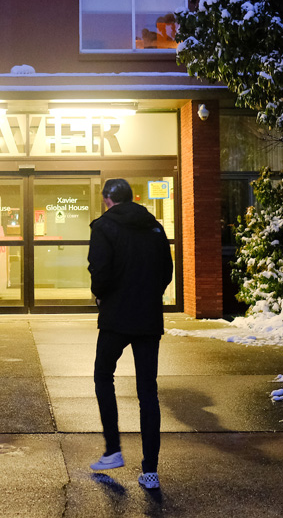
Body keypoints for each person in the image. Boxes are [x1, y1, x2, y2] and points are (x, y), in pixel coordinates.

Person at [87, 178, 174, 490]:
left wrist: (100, 294)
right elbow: (167, 270)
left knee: (102, 375)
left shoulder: (104, 227)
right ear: (131, 198)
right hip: (149, 318)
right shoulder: (155, 227)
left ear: (108, 199)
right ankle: (150, 470)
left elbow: (100, 271)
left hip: (116, 317)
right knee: (147, 391)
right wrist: (149, 295)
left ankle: (113, 450)